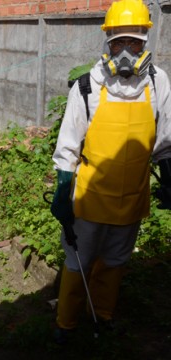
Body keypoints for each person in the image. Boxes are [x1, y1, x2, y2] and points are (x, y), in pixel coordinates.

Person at [50, 0, 171, 344]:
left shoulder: (158, 83)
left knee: (117, 259)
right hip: (90, 196)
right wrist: (62, 191)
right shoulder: (87, 86)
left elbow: (166, 139)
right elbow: (68, 146)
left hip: (132, 195)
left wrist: (169, 175)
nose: (126, 52)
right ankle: (66, 323)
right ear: (107, 43)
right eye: (119, 42)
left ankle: (102, 314)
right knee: (79, 261)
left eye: (134, 42)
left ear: (146, 41)